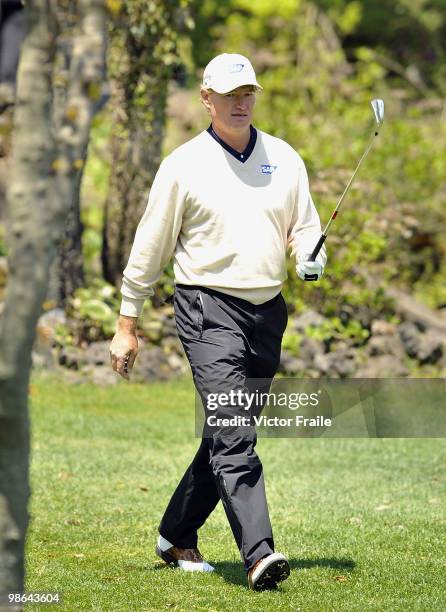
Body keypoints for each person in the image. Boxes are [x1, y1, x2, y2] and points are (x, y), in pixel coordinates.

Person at [110, 52, 326, 590]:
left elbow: (303, 227)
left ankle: (175, 534)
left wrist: (308, 255)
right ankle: (260, 554)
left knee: (228, 433)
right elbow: (150, 247)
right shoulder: (184, 165)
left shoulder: (284, 158)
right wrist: (126, 321)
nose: (241, 102)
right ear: (206, 99)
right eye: (229, 94)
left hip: (267, 313)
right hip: (207, 309)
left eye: (248, 91)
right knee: (235, 436)